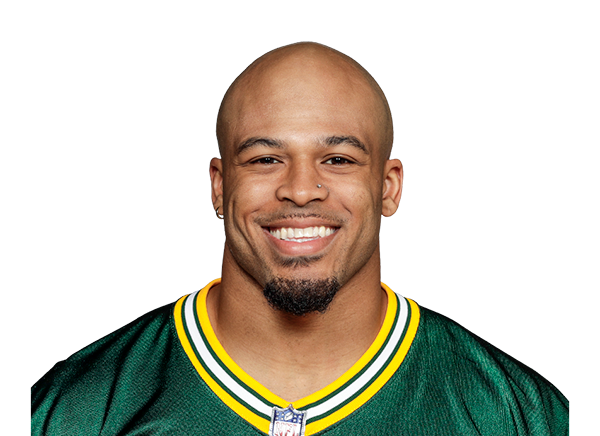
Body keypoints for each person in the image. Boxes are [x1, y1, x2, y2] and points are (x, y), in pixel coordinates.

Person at [31, 43, 569, 435]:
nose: (301, 189)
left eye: (338, 159)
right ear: (219, 186)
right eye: (266, 159)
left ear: (388, 188)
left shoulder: (518, 414)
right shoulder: (76, 410)